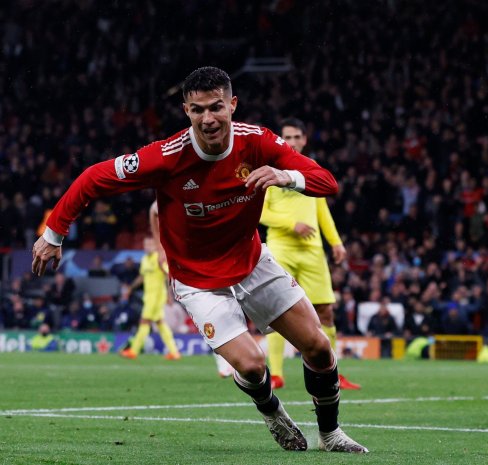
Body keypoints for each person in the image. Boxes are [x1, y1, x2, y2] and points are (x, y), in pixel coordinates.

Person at [31, 66, 367, 453]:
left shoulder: (257, 141)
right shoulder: (166, 157)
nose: (208, 118)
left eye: (216, 107)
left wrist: (285, 176)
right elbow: (93, 177)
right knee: (253, 365)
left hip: (252, 263)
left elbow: (328, 182)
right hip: (197, 280)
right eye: (197, 109)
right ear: (186, 111)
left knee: (319, 347)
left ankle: (330, 435)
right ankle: (271, 409)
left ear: (232, 105)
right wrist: (53, 234)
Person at [260, 117, 360, 390]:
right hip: (281, 248)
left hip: (313, 250)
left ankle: (333, 373)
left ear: (304, 140)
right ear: (280, 140)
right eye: (287, 137)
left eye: (296, 137)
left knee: (325, 311)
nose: (292, 142)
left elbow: (321, 209)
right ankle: (276, 374)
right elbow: (261, 212)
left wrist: (336, 242)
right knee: (278, 310)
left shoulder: (311, 168)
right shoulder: (270, 170)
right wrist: (291, 224)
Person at [150, 199, 232, 375]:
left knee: (227, 308)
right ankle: (222, 356)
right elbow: (154, 210)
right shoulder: (177, 194)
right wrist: (159, 247)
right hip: (191, 265)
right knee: (209, 312)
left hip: (219, 258)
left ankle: (229, 354)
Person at [119, 236, 182, 360]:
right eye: (145, 245)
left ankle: (134, 350)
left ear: (155, 246)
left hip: (157, 297)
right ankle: (174, 352)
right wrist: (130, 288)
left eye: (150, 245)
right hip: (148, 297)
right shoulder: (144, 260)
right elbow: (142, 277)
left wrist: (169, 294)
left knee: (144, 321)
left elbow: (168, 275)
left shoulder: (159, 259)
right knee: (160, 323)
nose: (147, 247)